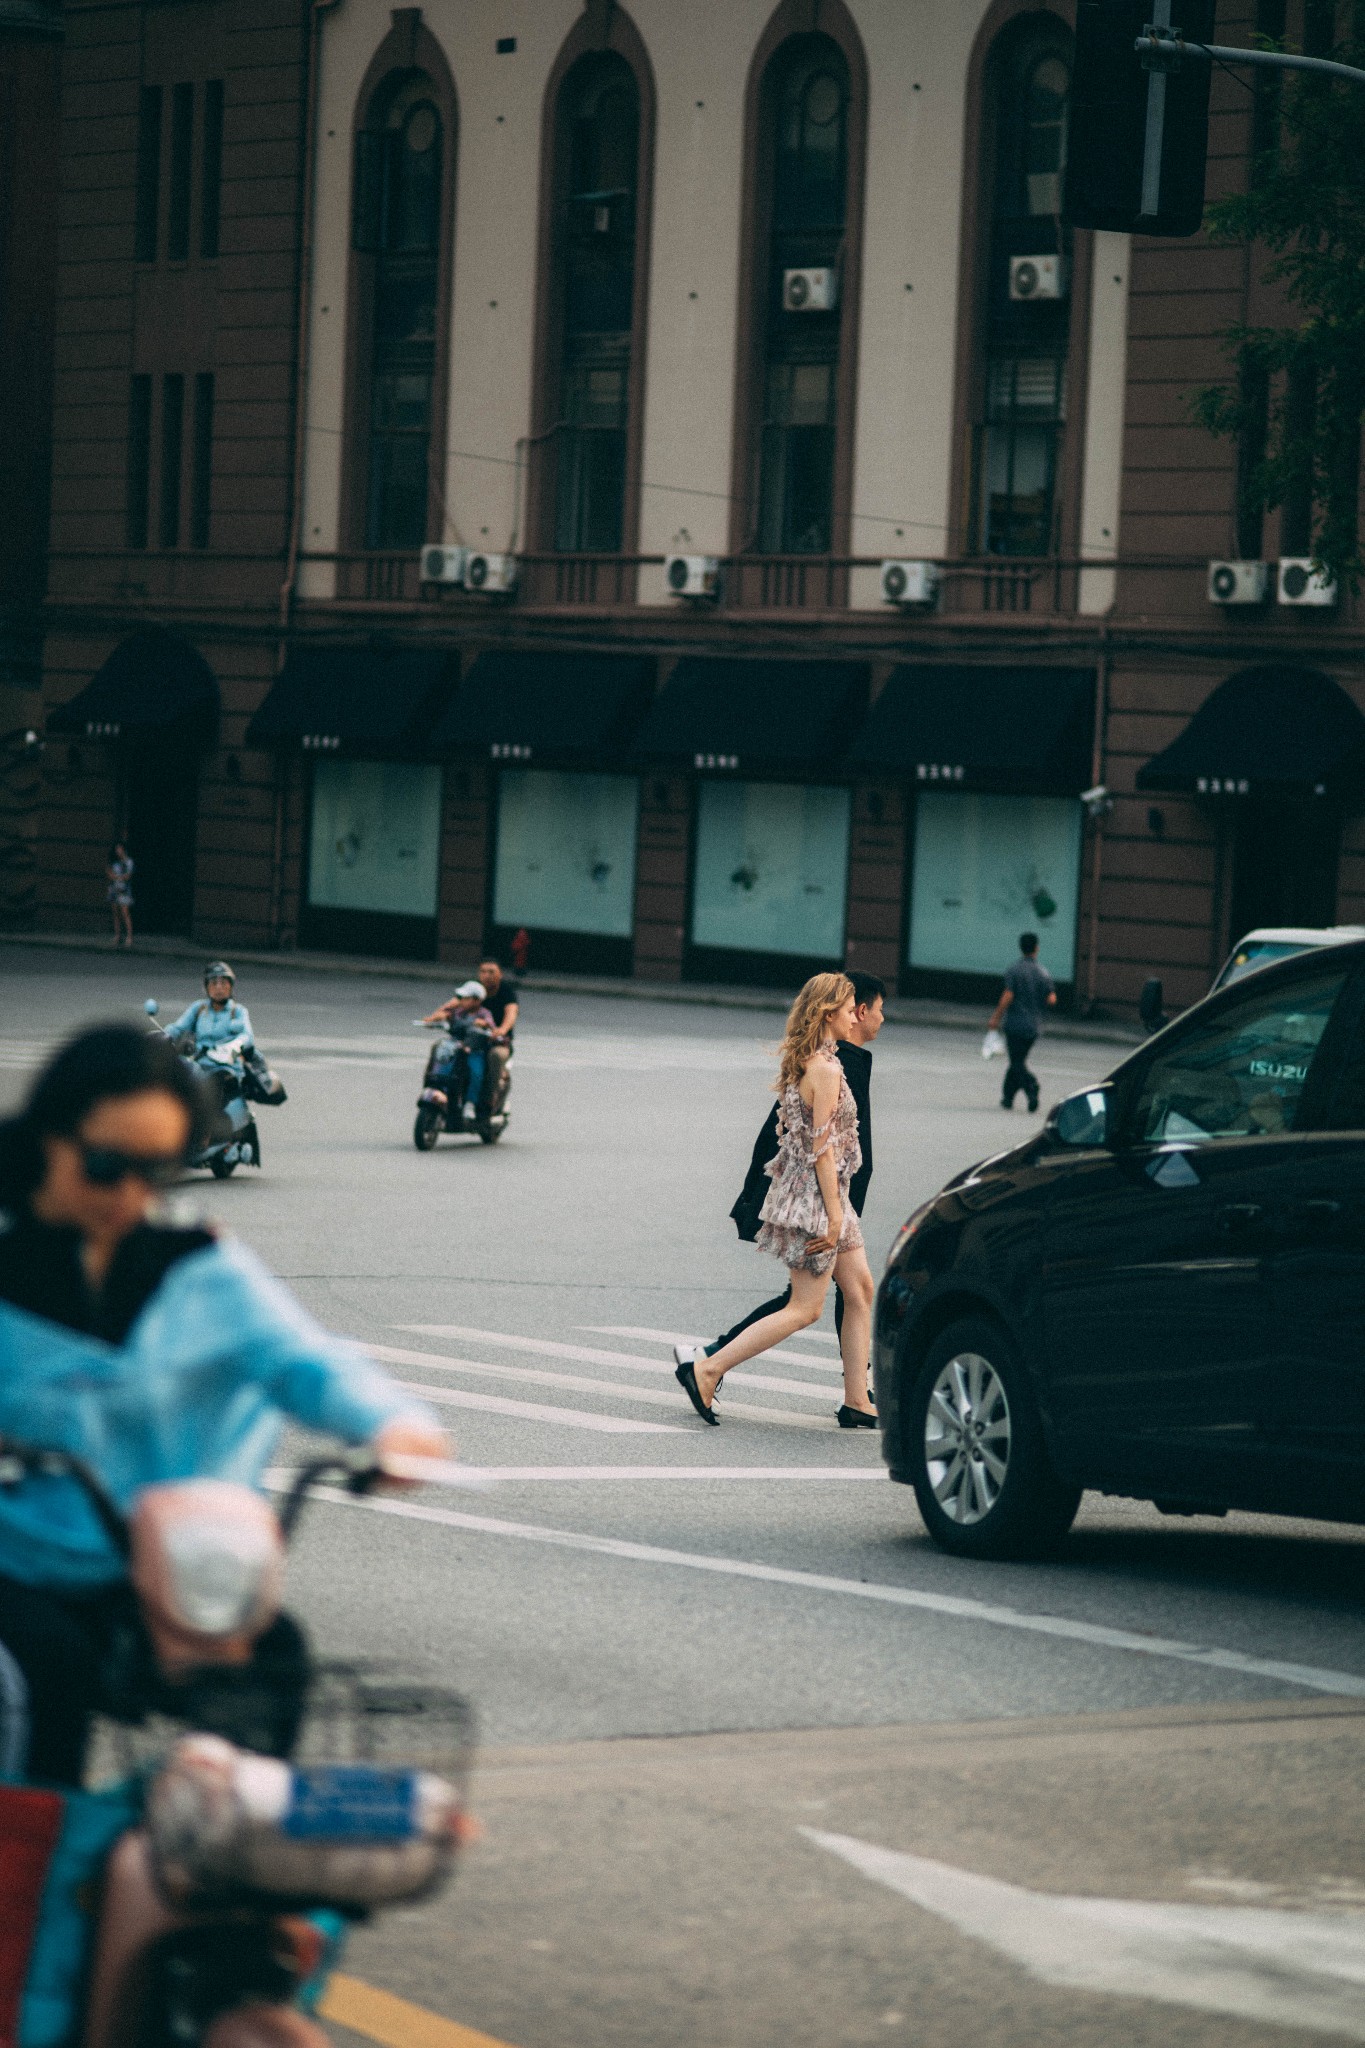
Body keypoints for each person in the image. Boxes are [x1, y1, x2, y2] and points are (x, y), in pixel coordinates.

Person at [0, 1023, 447, 1787]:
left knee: (274, 1655)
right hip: (25, 1567)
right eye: (108, 1166)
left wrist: (394, 1427)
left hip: (177, 1571)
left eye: (156, 1172)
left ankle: (217, 1855)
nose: (130, 1196)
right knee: (48, 1671)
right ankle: (31, 1879)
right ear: (50, 1136)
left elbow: (304, 1361)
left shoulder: (200, 1268)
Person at [674, 973, 876, 1430]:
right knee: (806, 1308)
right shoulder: (825, 1069)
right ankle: (706, 1370)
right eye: (848, 1009)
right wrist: (834, 1215)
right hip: (818, 1201)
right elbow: (821, 1150)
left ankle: (857, 1400)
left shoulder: (821, 1059)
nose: (855, 1015)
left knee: (860, 1289)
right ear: (829, 1014)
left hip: (829, 1195)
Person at [989, 931, 1057, 1113]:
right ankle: (1007, 1098)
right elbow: (1052, 999)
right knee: (1017, 1060)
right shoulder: (1042, 972)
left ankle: (1031, 1086)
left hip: (1015, 1024)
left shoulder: (1014, 969)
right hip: (1034, 1025)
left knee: (1017, 1062)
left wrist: (996, 1017)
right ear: (1036, 948)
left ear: (1021, 947)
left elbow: (1008, 995)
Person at [420, 980, 495, 1111]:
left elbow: (489, 1025)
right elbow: (445, 1016)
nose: (462, 1001)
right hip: (454, 1047)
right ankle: (433, 1088)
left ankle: (471, 1103)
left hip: (473, 1050)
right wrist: (434, 1019)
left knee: (476, 1072)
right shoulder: (458, 1012)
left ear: (477, 1000)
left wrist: (482, 1024)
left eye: (466, 998)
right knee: (439, 1063)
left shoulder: (484, 1013)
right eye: (461, 998)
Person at [476, 958, 519, 1112]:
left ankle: (490, 1098)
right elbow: (456, 1003)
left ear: (500, 974)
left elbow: (511, 1013)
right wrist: (438, 1015)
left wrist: (502, 1030)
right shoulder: (475, 990)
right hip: (474, 1041)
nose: (487, 975)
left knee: (496, 1056)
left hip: (499, 1043)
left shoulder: (506, 992)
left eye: (491, 972)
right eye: (483, 972)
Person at [106, 843, 134, 949]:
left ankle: (129, 936)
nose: (118, 851)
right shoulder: (115, 863)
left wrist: (117, 877)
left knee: (125, 913)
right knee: (116, 913)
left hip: (124, 890)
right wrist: (117, 877)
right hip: (114, 889)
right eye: (117, 849)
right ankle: (118, 935)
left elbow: (128, 876)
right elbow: (109, 873)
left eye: (120, 849)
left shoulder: (128, 862)